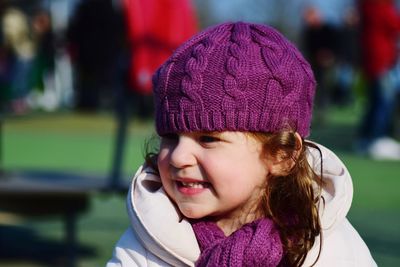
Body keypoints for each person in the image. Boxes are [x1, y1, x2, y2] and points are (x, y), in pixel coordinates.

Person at [106, 22, 377, 266]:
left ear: (282, 155)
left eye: (208, 139)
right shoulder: (148, 239)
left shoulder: (329, 249)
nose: (179, 157)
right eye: (170, 137)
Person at [357, 0, 400, 160]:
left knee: (375, 101)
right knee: (383, 101)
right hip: (380, 60)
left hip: (374, 60)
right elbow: (394, 24)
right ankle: (377, 139)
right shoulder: (378, 5)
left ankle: (365, 139)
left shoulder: (370, 5)